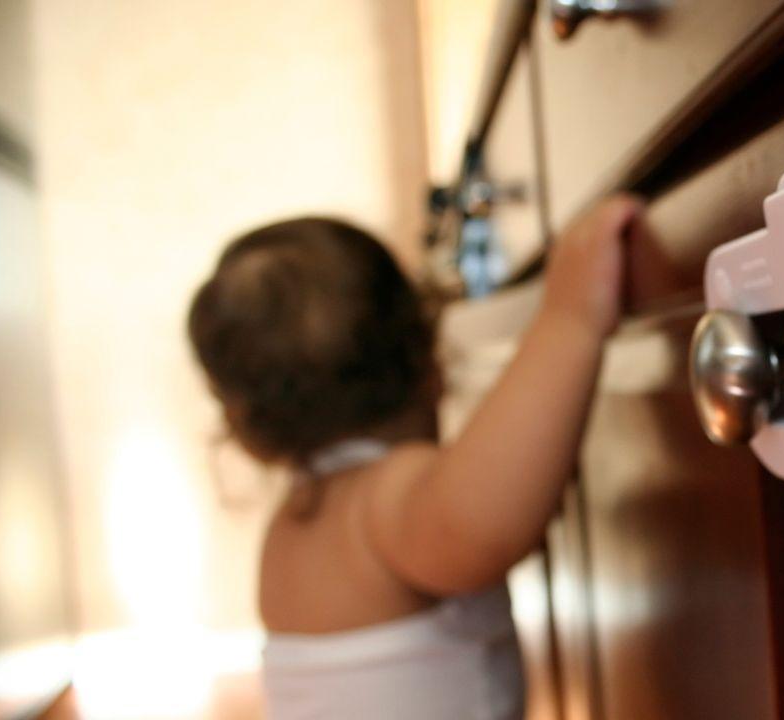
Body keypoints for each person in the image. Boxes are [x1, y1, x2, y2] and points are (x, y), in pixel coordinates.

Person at [187, 196, 644, 719]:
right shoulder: (381, 502)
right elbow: (485, 523)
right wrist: (568, 320)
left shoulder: (301, 522)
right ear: (426, 352)